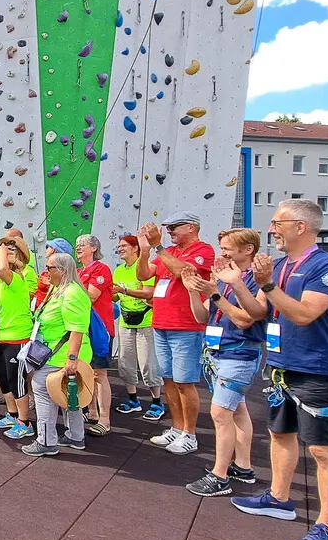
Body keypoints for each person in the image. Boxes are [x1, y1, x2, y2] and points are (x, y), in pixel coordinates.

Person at [232, 200, 328, 540]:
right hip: (282, 366)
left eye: (277, 222)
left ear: (301, 226)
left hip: (317, 371)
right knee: (279, 434)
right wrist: (235, 283)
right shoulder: (281, 265)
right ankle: (278, 497)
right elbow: (256, 313)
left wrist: (267, 283)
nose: (272, 229)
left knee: (321, 449)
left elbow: (303, 314)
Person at [180, 228, 268, 496]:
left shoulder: (254, 281)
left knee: (220, 413)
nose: (223, 252)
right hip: (221, 352)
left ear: (248, 249)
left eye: (228, 248)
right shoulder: (226, 279)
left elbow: (245, 318)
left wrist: (216, 294)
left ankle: (219, 476)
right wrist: (193, 291)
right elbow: (201, 317)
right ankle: (243, 467)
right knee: (237, 409)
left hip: (239, 353)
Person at [136, 211, 215, 455]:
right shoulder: (168, 253)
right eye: (167, 228)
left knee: (184, 382)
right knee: (168, 379)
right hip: (161, 323)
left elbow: (183, 272)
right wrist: (144, 251)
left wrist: (158, 246)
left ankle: (190, 433)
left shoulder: (204, 250)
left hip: (186, 326)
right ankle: (177, 427)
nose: (169, 232)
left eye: (174, 228)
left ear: (191, 227)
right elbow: (143, 275)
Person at [20, 253, 91, 456]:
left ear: (62, 270)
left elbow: (77, 329)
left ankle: (46, 441)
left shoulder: (71, 293)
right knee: (70, 395)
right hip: (59, 353)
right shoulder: (61, 289)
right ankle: (76, 436)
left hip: (62, 355)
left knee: (42, 390)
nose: (46, 271)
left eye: (49, 267)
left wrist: (71, 359)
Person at [111, 235, 163, 419]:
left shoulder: (143, 268)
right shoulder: (117, 271)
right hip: (126, 321)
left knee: (148, 364)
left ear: (135, 248)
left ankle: (157, 402)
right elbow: (115, 297)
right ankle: (133, 400)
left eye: (124, 245)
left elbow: (147, 293)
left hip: (145, 321)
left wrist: (124, 290)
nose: (120, 249)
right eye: (119, 246)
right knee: (125, 363)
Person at [0, 236, 35, 439]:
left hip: (17, 339)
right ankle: (12, 414)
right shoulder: (0, 285)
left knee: (16, 381)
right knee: (3, 378)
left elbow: (2, 270)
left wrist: (2, 247)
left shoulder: (17, 280)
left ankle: (25, 423)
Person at [73, 235, 115, 437]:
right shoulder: (79, 271)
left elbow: (91, 296)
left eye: (82, 245)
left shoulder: (101, 269)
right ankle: (91, 411)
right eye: (77, 245)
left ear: (94, 248)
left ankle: (105, 419)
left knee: (100, 374)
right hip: (81, 327)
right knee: (85, 371)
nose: (78, 248)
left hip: (99, 327)